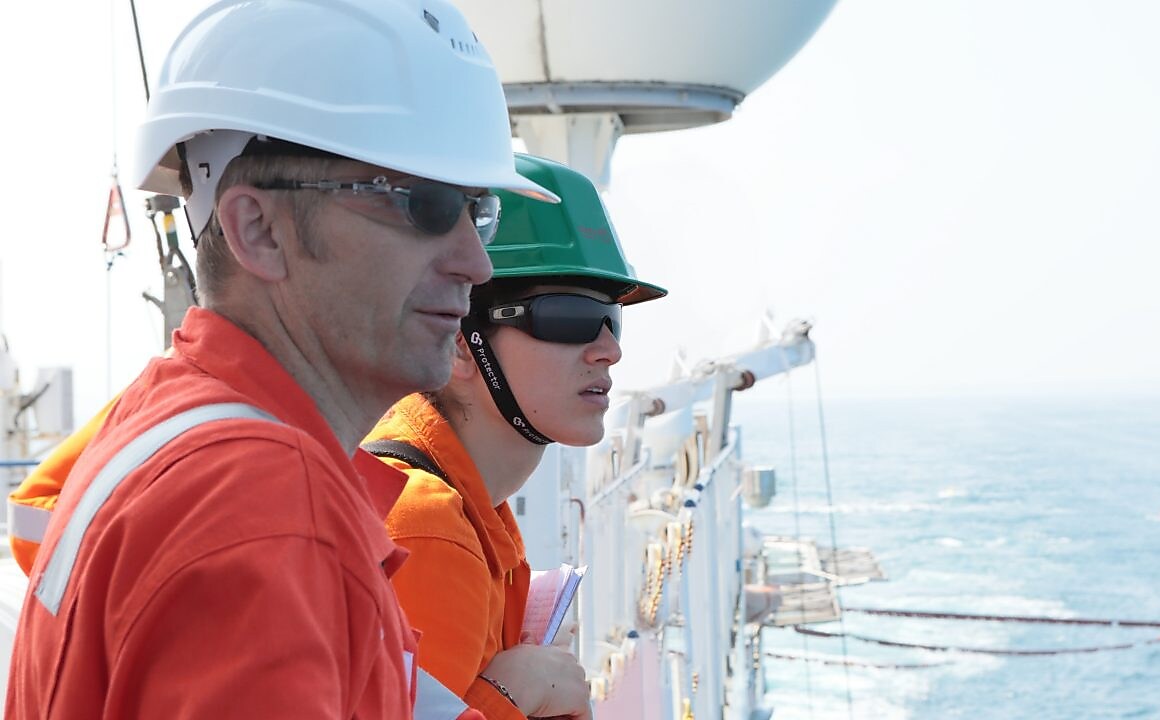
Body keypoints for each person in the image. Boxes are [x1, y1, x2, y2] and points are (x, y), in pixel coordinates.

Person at [5, 0, 556, 717]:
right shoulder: (264, 504)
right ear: (258, 230)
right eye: (423, 205)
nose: (475, 263)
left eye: (478, 211)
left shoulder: (169, 425)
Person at [364, 154, 666, 720]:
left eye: (611, 320)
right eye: (568, 316)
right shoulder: (427, 531)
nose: (608, 349)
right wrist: (515, 693)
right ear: (458, 341)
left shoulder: (472, 506)